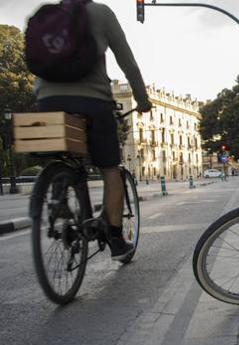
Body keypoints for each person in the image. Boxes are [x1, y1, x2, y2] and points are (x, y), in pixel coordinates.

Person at [34, 1, 152, 261]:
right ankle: (116, 239)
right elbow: (127, 62)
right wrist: (142, 100)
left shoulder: (47, 15)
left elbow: (37, 62)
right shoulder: (101, 13)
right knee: (111, 169)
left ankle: (60, 185)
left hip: (47, 101)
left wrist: (44, 98)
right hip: (92, 101)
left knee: (63, 150)